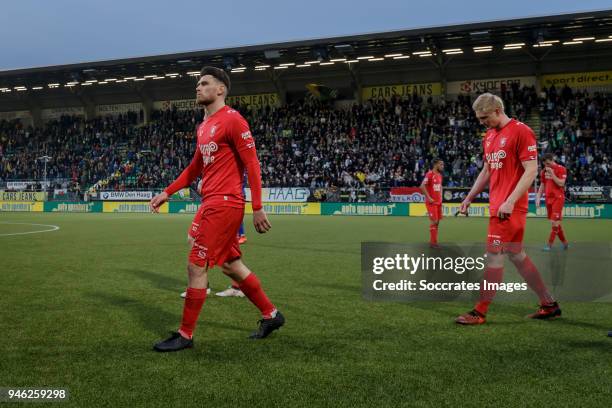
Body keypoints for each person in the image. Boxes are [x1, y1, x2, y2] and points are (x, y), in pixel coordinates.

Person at [150, 66, 285, 352]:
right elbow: (194, 169)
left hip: (225, 203)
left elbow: (252, 164)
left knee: (195, 265)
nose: (198, 88)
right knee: (229, 265)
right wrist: (166, 192)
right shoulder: (203, 126)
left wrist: (257, 207)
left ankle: (185, 335)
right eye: (197, 84)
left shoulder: (234, 120)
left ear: (220, 89)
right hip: (210, 201)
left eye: (204, 83)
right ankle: (271, 315)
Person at [456, 92, 561, 325]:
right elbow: (486, 170)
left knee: (494, 256)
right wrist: (469, 197)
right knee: (516, 254)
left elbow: (531, 169)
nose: (482, 122)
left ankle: (479, 311)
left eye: (484, 117)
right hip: (500, 207)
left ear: (497, 110)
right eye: (479, 118)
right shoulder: (490, 136)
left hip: (508, 208)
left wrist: (511, 200)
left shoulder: (521, 131)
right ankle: (548, 303)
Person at [536, 153, 569, 251]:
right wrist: (538, 197)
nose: (546, 166)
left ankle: (549, 245)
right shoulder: (543, 171)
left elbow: (561, 183)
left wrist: (552, 173)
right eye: (545, 164)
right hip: (548, 199)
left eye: (548, 163)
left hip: (558, 198)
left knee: (555, 223)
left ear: (552, 159)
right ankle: (565, 243)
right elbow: (542, 185)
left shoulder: (561, 169)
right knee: (555, 222)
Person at [419, 159, 444, 249]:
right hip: (431, 203)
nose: (442, 166)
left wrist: (441, 196)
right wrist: (429, 198)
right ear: (435, 165)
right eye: (441, 164)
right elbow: (422, 186)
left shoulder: (440, 175)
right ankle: (433, 243)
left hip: (438, 202)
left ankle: (433, 242)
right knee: (434, 221)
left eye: (443, 165)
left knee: (437, 223)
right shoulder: (429, 174)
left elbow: (440, 186)